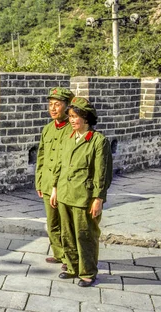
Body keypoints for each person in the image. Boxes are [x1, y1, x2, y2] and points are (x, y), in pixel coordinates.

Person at [50, 97, 112, 287]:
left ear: (86, 119)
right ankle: (71, 266)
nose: (72, 120)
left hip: (83, 197)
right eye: (70, 116)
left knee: (85, 235)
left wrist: (98, 198)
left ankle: (87, 272)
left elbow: (102, 173)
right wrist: (54, 189)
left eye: (76, 117)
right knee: (67, 233)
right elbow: (60, 165)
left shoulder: (97, 141)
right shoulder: (69, 138)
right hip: (65, 193)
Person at [35, 87, 75, 268]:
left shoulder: (73, 129)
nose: (52, 108)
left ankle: (70, 258)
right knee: (52, 223)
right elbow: (41, 156)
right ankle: (58, 253)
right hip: (46, 182)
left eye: (57, 105)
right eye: (50, 104)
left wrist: (56, 187)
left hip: (64, 185)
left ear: (67, 107)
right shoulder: (48, 129)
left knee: (67, 224)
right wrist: (39, 181)